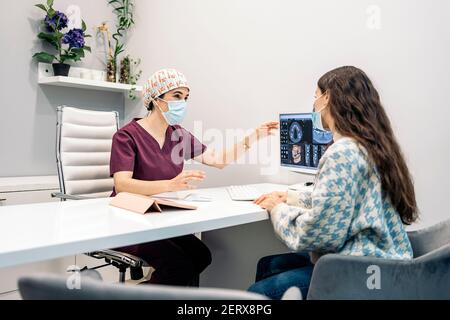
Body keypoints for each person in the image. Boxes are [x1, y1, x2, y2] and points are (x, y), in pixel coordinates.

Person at [248, 66, 418, 299]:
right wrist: (291, 197)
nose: (314, 105)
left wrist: (278, 209)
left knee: (256, 294)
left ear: (327, 97)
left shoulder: (342, 152)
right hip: (387, 264)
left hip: (358, 273)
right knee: (270, 265)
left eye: (315, 97)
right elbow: (342, 201)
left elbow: (318, 234)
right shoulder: (372, 146)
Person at [110, 68, 278, 286]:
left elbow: (218, 159)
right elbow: (122, 185)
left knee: (200, 256)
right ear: (155, 98)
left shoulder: (178, 134)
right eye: (177, 96)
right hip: (128, 220)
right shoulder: (126, 136)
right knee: (179, 265)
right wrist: (170, 185)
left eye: (186, 98)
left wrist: (253, 137)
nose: (183, 103)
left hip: (159, 218)